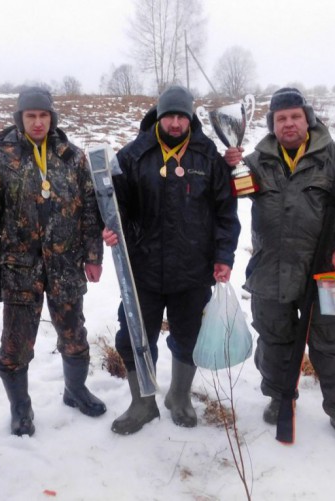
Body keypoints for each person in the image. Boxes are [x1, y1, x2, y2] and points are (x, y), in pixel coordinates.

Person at [224, 87, 335, 448]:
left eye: (295, 116)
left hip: (327, 273)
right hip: (270, 271)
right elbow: (223, 196)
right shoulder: (255, 162)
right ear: (273, 125)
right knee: (274, 341)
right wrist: (226, 166)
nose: (289, 123)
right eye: (281, 119)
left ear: (307, 119)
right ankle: (280, 397)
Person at [103, 85, 241, 435]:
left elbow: (226, 212)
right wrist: (107, 227)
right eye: (169, 116)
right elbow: (111, 205)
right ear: (158, 116)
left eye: (182, 116)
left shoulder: (209, 155)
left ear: (191, 117)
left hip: (193, 271)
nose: (176, 123)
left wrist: (224, 255)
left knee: (189, 335)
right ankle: (142, 402)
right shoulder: (133, 155)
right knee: (133, 336)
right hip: (143, 270)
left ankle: (179, 397)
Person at [0, 87, 106, 437]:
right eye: (31, 116)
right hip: (20, 270)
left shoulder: (73, 157)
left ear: (53, 119)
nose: (38, 122)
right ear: (19, 118)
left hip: (66, 264)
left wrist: (93, 256)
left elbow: (92, 209)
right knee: (16, 345)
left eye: (44, 116)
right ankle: (21, 407)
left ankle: (75, 390)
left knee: (74, 334)